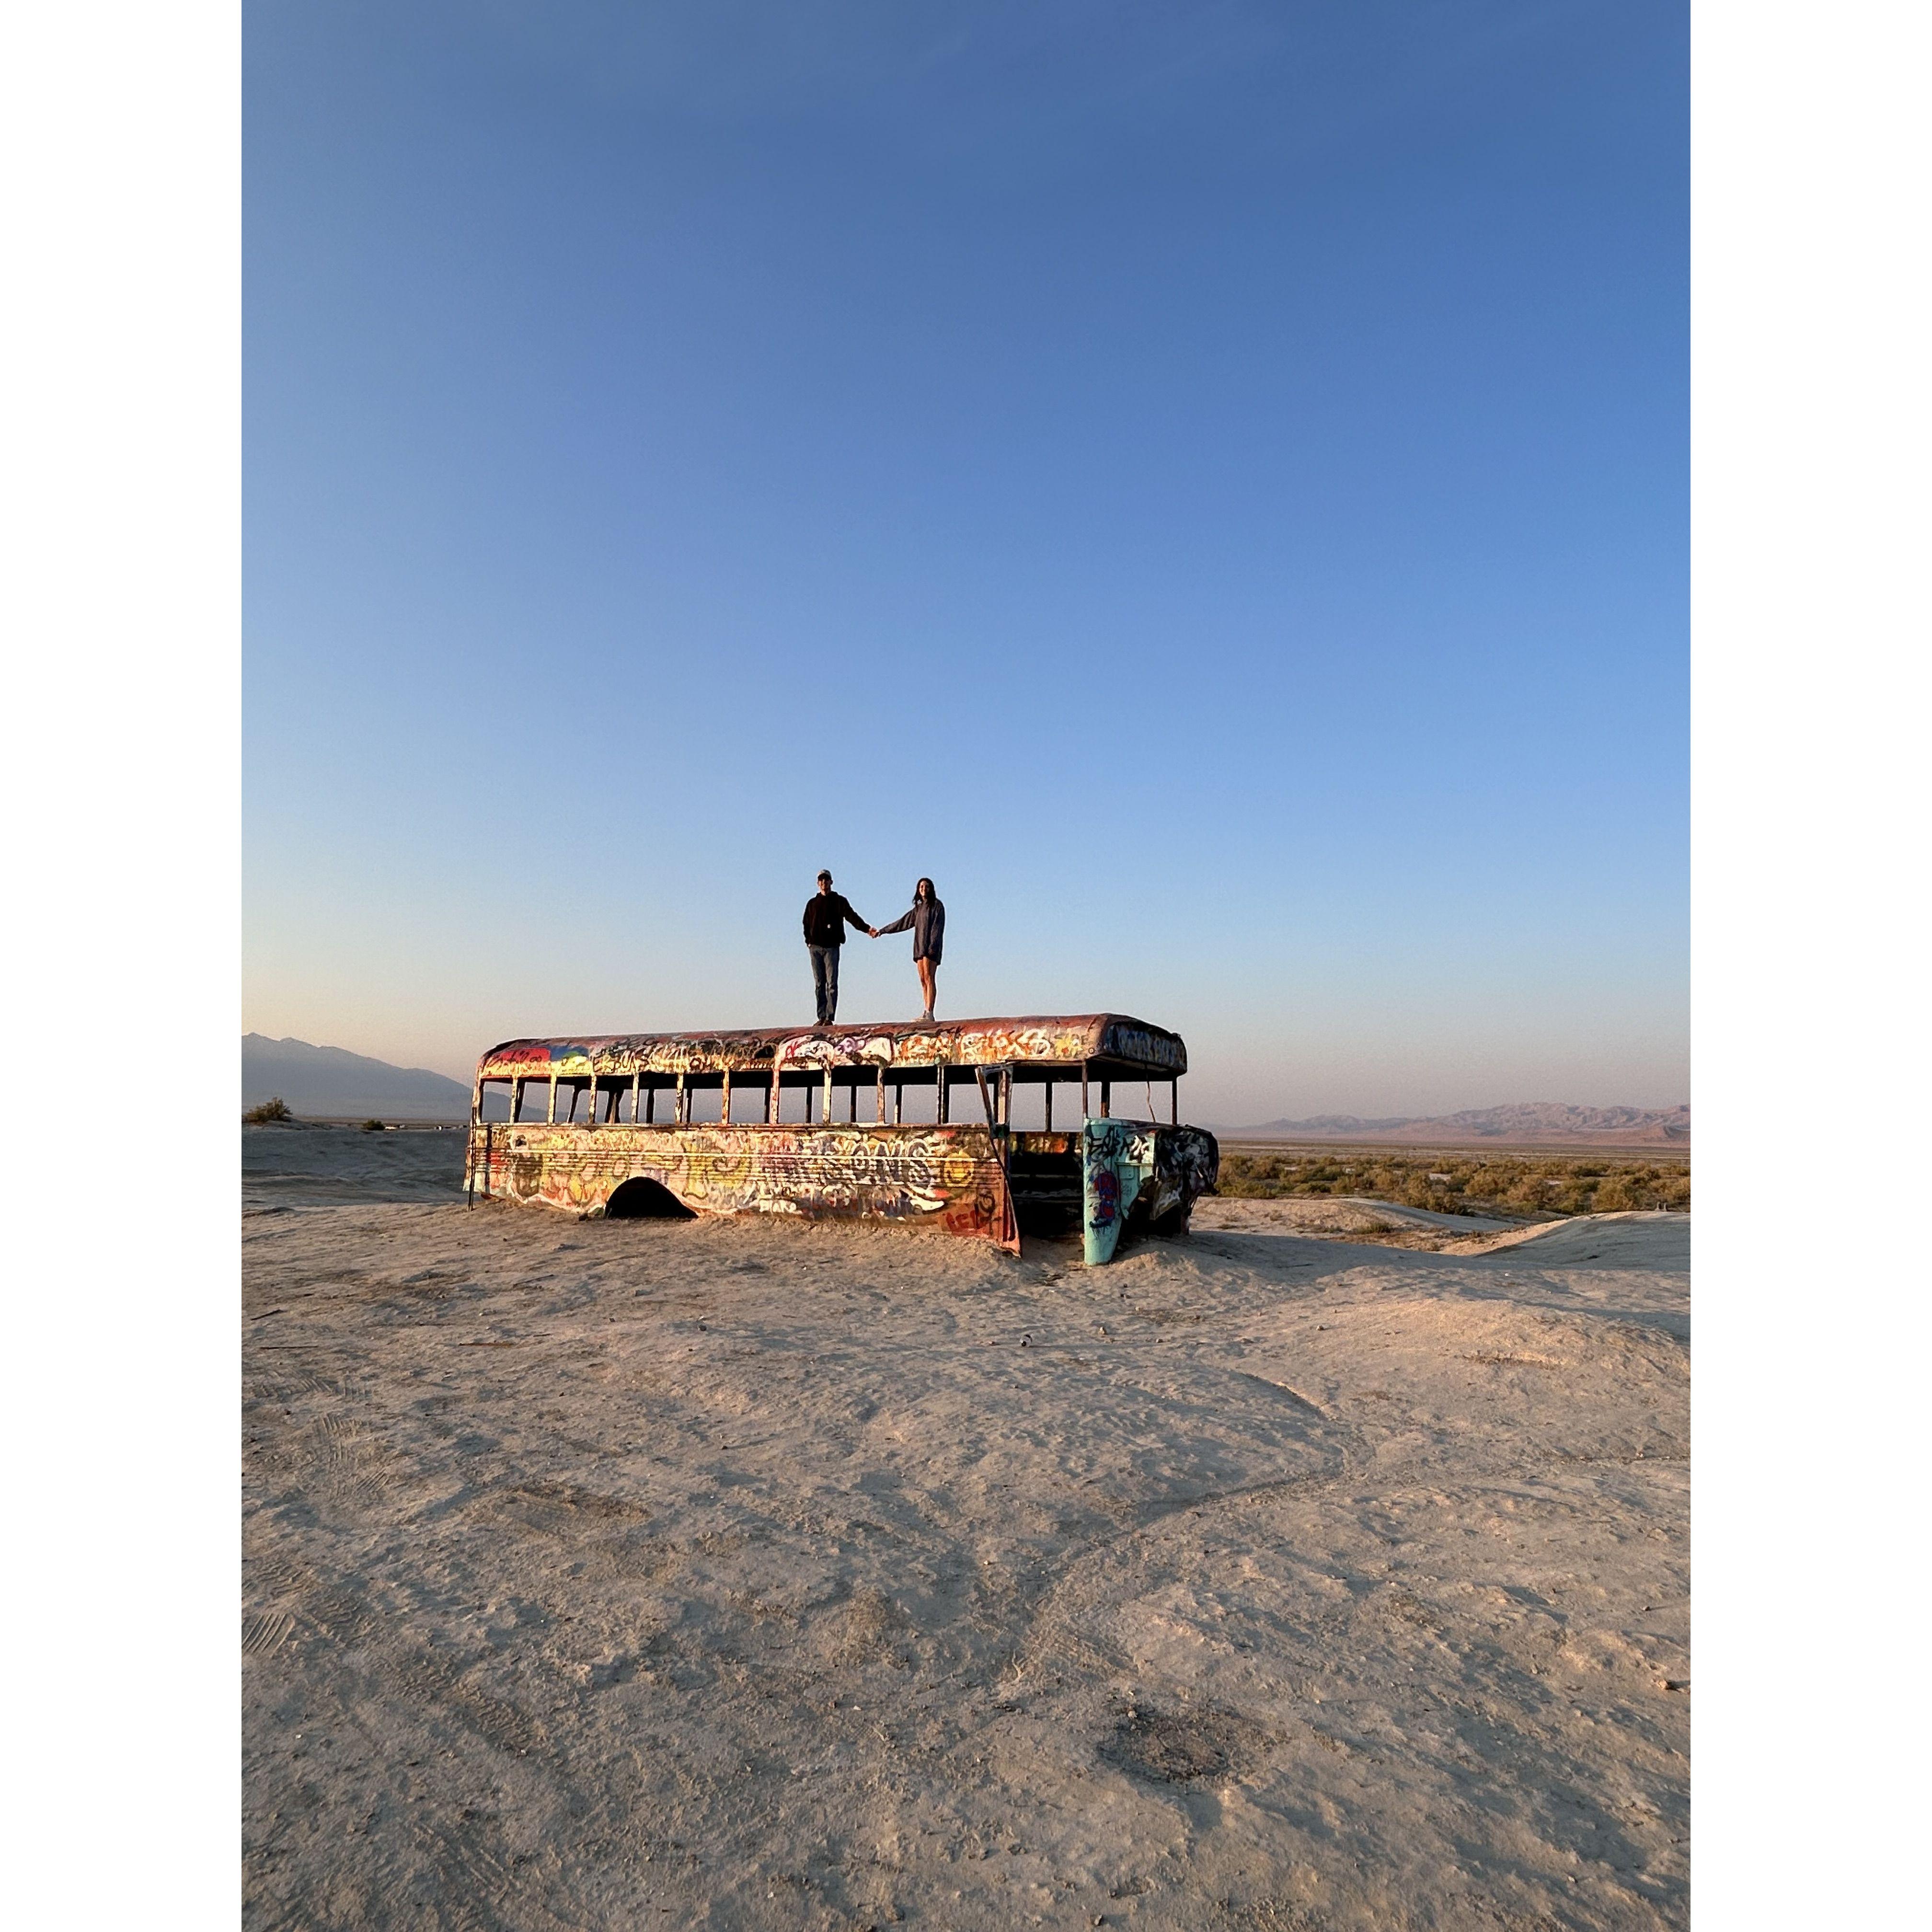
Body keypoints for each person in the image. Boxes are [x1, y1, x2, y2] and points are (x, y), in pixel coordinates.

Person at [802, 870, 871, 1025]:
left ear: (831, 882)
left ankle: (829, 1017)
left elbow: (852, 917)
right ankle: (821, 1016)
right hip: (815, 948)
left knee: (831, 983)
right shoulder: (812, 904)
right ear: (818, 883)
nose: (824, 883)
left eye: (827, 880)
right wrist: (808, 941)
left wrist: (867, 929)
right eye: (821, 880)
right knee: (819, 984)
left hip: (832, 947)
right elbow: (806, 923)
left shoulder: (839, 901)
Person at [874, 877, 945, 1021]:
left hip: (931, 948)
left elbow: (938, 928)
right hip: (919, 948)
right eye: (921, 887)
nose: (924, 889)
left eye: (926, 887)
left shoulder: (937, 906)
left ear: (931, 889)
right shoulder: (918, 909)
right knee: (922, 979)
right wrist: (883, 931)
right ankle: (926, 1010)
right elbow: (903, 923)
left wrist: (932, 947)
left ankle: (930, 1012)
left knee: (930, 977)